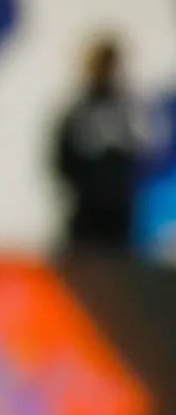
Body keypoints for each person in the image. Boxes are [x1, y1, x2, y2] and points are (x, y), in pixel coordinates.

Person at [52, 36, 147, 256]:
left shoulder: (127, 111)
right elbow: (62, 160)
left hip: (118, 216)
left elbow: (139, 158)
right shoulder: (79, 112)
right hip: (86, 214)